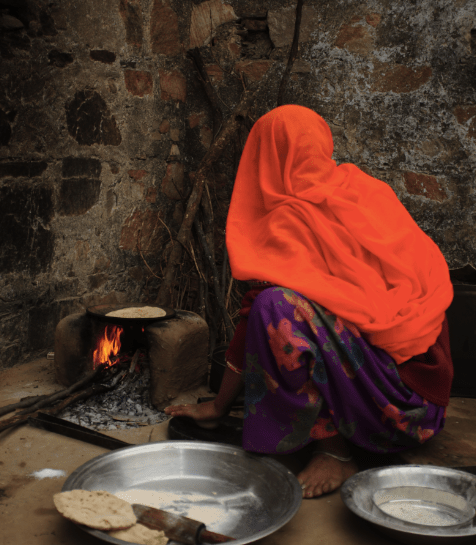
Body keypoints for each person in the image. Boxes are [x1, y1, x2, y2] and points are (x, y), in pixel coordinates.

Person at [165, 105, 454, 499]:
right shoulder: (364, 191)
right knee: (314, 314)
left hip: (387, 415)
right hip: (423, 405)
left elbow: (256, 315)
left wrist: (218, 406)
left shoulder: (289, 218)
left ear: (263, 158)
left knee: (275, 308)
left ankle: (334, 450)